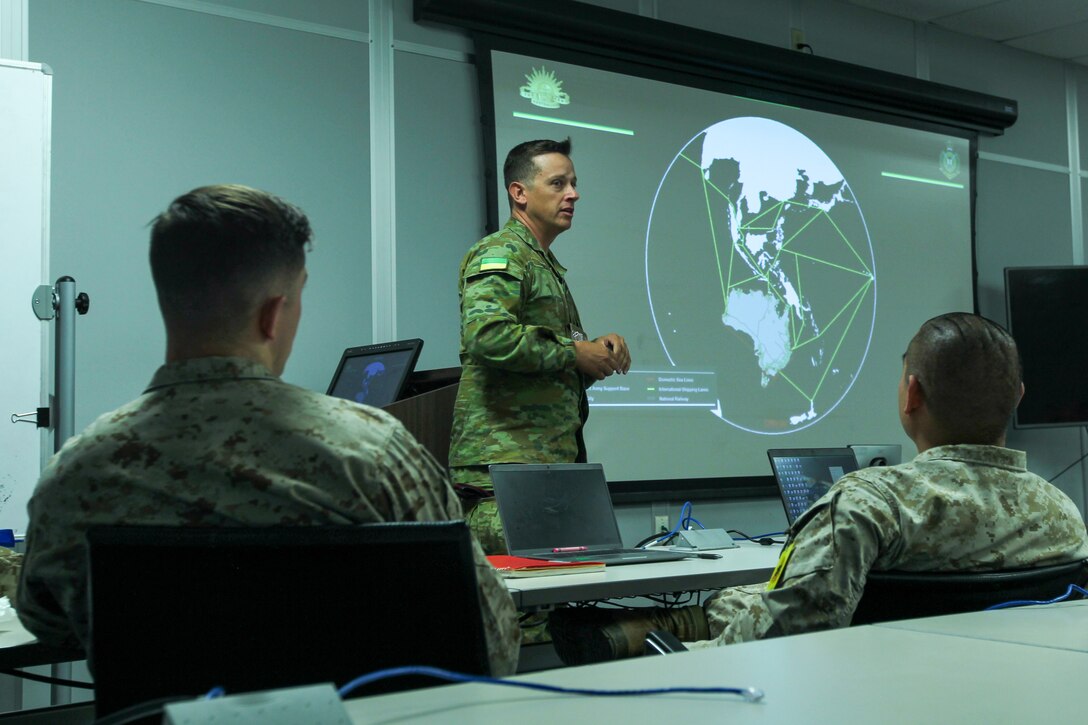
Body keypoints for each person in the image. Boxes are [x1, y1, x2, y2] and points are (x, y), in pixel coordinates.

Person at [16, 184, 521, 675]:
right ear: (274, 314)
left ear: (168, 300)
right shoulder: (373, 451)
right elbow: (490, 643)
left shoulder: (79, 470)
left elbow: (49, 623)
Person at [550, 312, 1088, 663]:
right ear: (1016, 396)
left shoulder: (869, 505)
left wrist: (684, 651)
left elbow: (779, 641)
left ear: (911, 395)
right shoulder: (1064, 513)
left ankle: (652, 630)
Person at [449, 138, 631, 554]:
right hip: (505, 473)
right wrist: (574, 352)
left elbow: (549, 368)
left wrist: (596, 354)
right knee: (524, 615)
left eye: (574, 183)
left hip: (542, 469)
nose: (573, 194)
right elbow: (486, 335)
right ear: (519, 193)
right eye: (558, 183)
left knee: (551, 608)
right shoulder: (500, 253)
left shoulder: (543, 264)